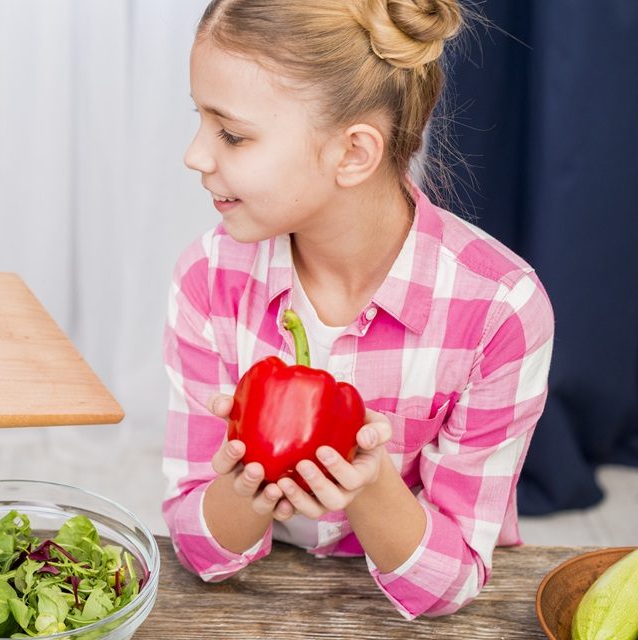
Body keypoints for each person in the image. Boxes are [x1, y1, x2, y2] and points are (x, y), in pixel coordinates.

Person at [162, 0, 555, 618]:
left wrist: (370, 486)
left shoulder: (500, 312)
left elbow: (451, 586)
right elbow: (195, 548)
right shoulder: (208, 278)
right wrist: (244, 488)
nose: (195, 155)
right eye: (201, 121)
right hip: (261, 602)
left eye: (231, 133)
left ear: (353, 153)